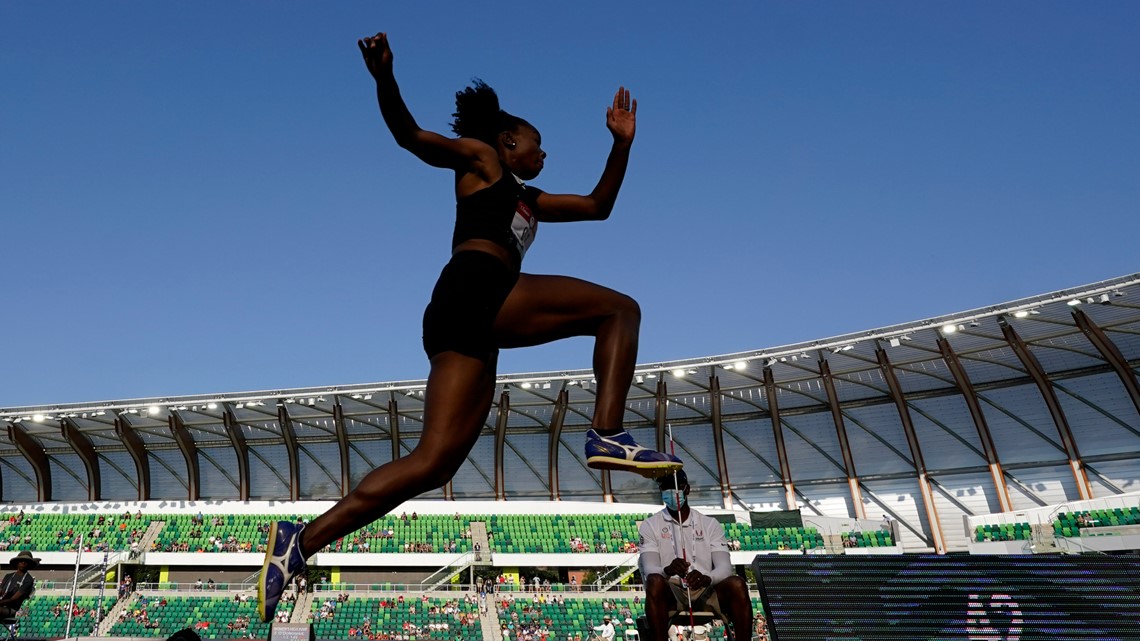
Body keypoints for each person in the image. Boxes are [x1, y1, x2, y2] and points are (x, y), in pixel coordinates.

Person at [256, 30, 682, 622]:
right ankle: (607, 431)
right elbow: (412, 137)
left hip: (466, 317)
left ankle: (300, 541)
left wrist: (621, 145)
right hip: (478, 288)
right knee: (620, 310)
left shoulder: (530, 200)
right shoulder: (482, 161)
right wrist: (385, 79)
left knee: (434, 463)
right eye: (537, 144)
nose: (544, 153)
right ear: (507, 142)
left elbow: (598, 206)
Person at [638, 471, 752, 641]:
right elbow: (649, 569)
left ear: (687, 489)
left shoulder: (710, 524)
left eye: (676, 487)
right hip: (672, 591)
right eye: (666, 488)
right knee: (654, 581)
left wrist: (707, 578)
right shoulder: (650, 525)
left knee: (737, 583)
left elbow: (724, 568)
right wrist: (668, 569)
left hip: (706, 589)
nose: (671, 492)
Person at [0, 551, 39, 618]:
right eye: (21, 561)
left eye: (26, 561)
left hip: (12, 609)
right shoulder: (8, 576)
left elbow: (13, 599)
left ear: (29, 564)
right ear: (17, 563)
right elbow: (1, 591)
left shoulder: (28, 580)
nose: (23, 563)